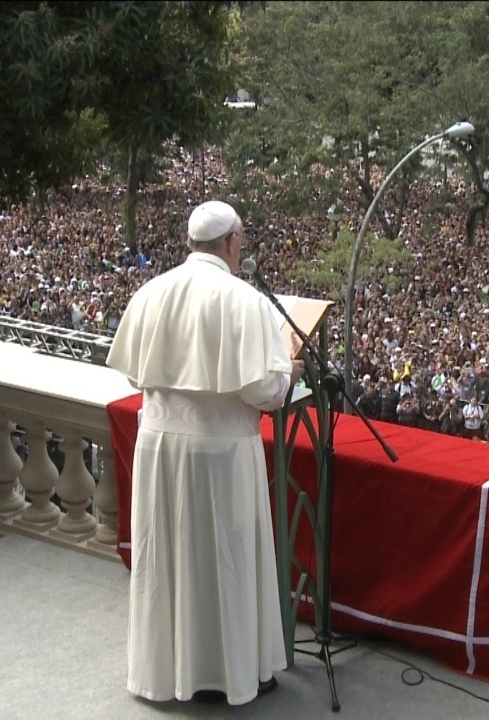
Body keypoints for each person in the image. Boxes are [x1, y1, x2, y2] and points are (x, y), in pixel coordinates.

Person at [106, 200, 305, 705]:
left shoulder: (151, 292)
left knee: (169, 559)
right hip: (222, 453)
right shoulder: (245, 301)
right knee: (225, 561)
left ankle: (168, 672)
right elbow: (265, 392)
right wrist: (289, 373)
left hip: (159, 446)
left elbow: (133, 373)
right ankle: (230, 673)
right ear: (232, 243)